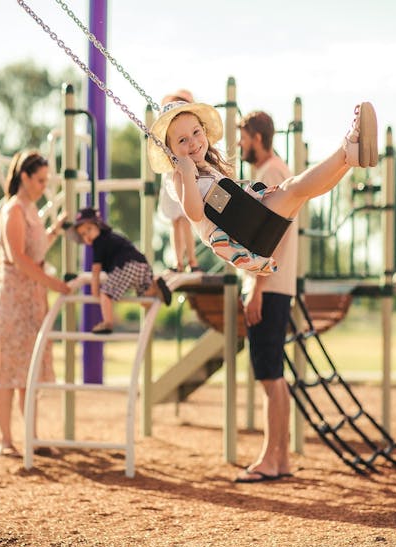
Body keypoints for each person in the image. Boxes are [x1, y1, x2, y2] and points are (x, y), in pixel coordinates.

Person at [146, 100, 377, 275]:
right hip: (242, 234)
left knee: (302, 192)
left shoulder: (206, 166)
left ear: (204, 132)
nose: (193, 142)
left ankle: (348, 160)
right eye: (182, 140)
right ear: (170, 151)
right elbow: (195, 213)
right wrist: (186, 173)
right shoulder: (179, 176)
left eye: (196, 132)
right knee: (294, 188)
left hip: (248, 220)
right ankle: (346, 149)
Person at [0, 151, 71, 459]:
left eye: (45, 181)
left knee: (29, 371)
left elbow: (34, 250)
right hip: (14, 297)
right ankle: (6, 439)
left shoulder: (31, 210)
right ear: (24, 177)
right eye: (39, 180)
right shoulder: (13, 210)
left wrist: (54, 230)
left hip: (33, 297)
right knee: (8, 370)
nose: (43, 186)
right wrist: (54, 284)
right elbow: (18, 258)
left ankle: (31, 437)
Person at [235, 111, 297, 482]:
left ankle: (269, 461)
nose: (240, 144)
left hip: (268, 287)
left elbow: (274, 234)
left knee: (269, 377)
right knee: (273, 375)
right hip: (273, 285)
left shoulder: (270, 173)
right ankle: (282, 459)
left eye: (242, 137)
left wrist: (257, 286)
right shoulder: (277, 171)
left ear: (257, 137)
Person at [71, 207, 172, 334]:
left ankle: (107, 323)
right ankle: (155, 284)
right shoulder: (112, 237)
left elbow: (96, 270)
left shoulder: (99, 241)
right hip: (142, 265)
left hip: (126, 266)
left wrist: (95, 290)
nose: (87, 236)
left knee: (105, 294)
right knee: (145, 300)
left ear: (98, 225)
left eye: (89, 230)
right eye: (83, 234)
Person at [157, 89, 201, 273]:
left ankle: (191, 260)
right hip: (171, 179)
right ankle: (178, 262)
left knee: (185, 220)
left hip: (184, 179)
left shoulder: (189, 146)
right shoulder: (170, 138)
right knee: (176, 222)